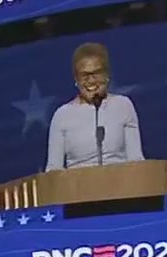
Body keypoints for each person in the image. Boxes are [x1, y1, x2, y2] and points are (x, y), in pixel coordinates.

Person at [45, 42, 144, 171]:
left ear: (107, 74)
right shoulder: (62, 115)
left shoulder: (123, 105)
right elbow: (53, 169)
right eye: (84, 76)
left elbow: (136, 160)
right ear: (76, 78)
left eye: (96, 73)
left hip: (121, 185)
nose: (91, 81)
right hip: (78, 188)